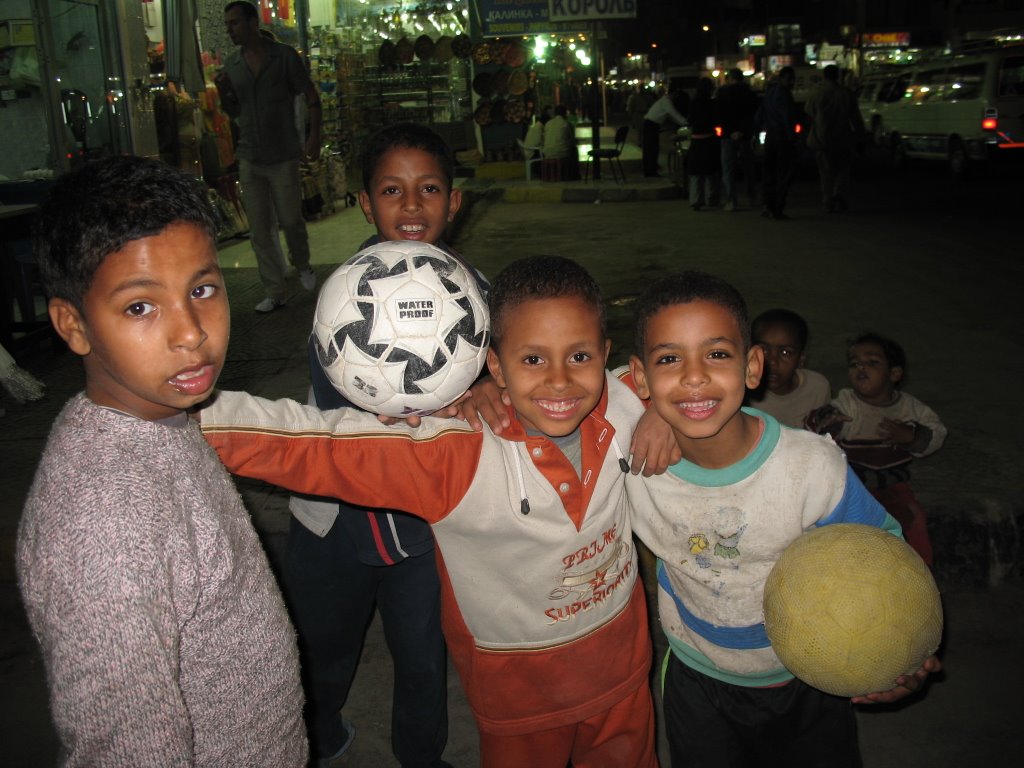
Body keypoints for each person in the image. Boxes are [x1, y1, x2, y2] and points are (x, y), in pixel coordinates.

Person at [199, 255, 658, 768]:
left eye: (579, 357)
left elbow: (692, 382)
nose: (559, 381)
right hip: (519, 699)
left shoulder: (626, 404)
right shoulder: (455, 457)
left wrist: (662, 411)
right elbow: (318, 446)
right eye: (532, 360)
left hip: (623, 677)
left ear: (605, 353)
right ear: (495, 367)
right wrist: (180, 411)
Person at [16, 155, 307, 766]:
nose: (191, 333)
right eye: (140, 307)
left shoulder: (160, 416)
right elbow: (127, 747)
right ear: (74, 325)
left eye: (202, 290)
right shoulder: (104, 522)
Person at [623, 271, 941, 768]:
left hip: (810, 680)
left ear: (753, 366)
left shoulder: (811, 467)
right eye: (669, 359)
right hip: (698, 678)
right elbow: (559, 383)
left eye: (717, 354)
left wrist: (901, 649)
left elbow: (885, 560)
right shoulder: (635, 470)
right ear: (640, 379)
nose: (694, 376)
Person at [287, 123, 479, 768]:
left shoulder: (473, 296)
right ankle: (320, 739)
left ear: (454, 202)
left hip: (426, 520)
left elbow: (499, 383)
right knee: (324, 647)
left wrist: (480, 396)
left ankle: (421, 757)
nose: (412, 205)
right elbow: (332, 392)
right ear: (365, 204)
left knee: (424, 653)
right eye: (392, 190)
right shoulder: (344, 294)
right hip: (334, 516)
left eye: (429, 189)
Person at [806, 332, 946, 566]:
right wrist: (829, 420)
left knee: (912, 524)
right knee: (845, 530)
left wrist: (911, 436)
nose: (861, 367)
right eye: (854, 363)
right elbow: (814, 428)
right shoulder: (847, 402)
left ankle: (919, 576)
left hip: (893, 485)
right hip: (851, 485)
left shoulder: (909, 407)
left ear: (894, 374)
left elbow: (937, 433)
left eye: (872, 362)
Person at [216, 1, 320, 312]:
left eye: (234, 23)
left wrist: (314, 136)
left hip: (284, 153)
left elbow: (311, 97)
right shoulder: (233, 67)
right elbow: (234, 111)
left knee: (290, 219)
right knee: (260, 229)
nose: (230, 31)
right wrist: (224, 95)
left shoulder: (284, 57)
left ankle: (301, 263)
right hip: (250, 155)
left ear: (251, 22)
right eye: (228, 25)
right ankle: (274, 290)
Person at [748, 308, 831, 427]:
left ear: (801, 360)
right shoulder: (744, 393)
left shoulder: (817, 388)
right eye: (764, 350)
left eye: (785, 353)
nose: (772, 362)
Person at [805, 64, 866, 212]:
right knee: (843, 170)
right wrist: (860, 136)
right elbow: (856, 118)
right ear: (838, 76)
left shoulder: (817, 94)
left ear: (824, 76)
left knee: (826, 172)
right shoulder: (846, 94)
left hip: (823, 137)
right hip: (843, 137)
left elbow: (808, 112)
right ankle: (839, 194)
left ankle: (828, 200)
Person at [755, 66, 800, 220]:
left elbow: (759, 115)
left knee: (769, 172)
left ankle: (767, 205)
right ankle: (777, 208)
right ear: (783, 79)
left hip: (770, 136)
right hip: (781, 137)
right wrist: (792, 137)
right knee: (783, 173)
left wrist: (756, 132)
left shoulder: (769, 94)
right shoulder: (784, 95)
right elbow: (787, 118)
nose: (792, 83)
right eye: (790, 79)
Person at [715, 68, 760, 211]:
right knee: (748, 167)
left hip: (728, 135)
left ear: (730, 78)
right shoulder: (750, 94)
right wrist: (743, 130)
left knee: (728, 169)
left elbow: (721, 114)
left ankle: (731, 201)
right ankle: (751, 196)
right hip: (746, 134)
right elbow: (753, 115)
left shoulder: (723, 93)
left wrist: (731, 130)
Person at [685, 78, 720, 211]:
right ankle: (710, 198)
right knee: (710, 170)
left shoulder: (693, 103)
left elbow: (690, 120)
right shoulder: (712, 103)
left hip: (696, 139)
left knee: (695, 172)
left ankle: (695, 199)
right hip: (709, 139)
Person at [642, 85, 688, 177]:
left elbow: (672, 116)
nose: (675, 98)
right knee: (652, 148)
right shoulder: (666, 102)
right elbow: (674, 114)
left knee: (649, 148)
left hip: (649, 124)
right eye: (675, 96)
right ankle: (651, 172)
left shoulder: (663, 101)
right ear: (673, 94)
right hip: (651, 125)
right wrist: (686, 122)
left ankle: (649, 170)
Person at [541, 104, 579, 180]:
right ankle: (575, 175)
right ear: (565, 113)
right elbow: (572, 140)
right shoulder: (567, 124)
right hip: (562, 153)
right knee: (575, 150)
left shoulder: (548, 124)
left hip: (547, 153)